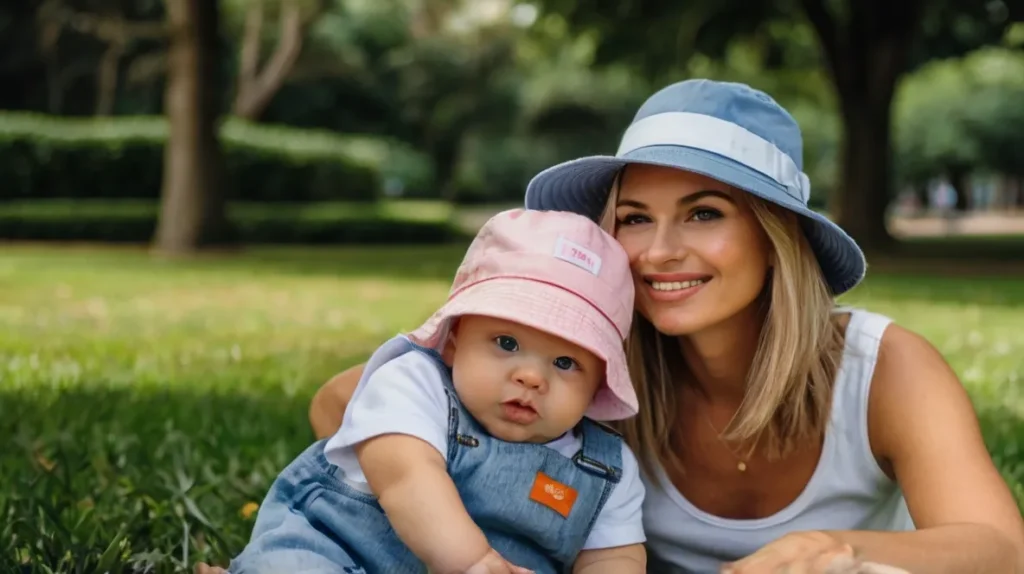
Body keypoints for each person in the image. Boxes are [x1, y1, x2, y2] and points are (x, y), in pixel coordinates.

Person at [300, 80, 1024, 573]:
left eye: (704, 214)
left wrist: (828, 550)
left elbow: (1001, 548)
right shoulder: (580, 361)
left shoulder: (883, 367)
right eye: (633, 218)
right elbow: (338, 405)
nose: (657, 251)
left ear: (778, 241)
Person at [225, 208, 648, 574]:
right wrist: (472, 562)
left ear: (598, 383)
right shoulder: (413, 385)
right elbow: (407, 476)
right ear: (454, 339)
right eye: (506, 343)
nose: (531, 377)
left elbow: (614, 558)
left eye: (565, 363)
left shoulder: (607, 469)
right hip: (339, 549)